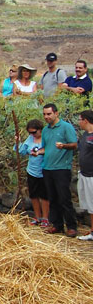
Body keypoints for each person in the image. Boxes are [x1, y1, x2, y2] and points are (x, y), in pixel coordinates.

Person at [38, 103, 78, 236]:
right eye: (44, 114)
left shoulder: (66, 127)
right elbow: (45, 148)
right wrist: (37, 152)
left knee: (64, 198)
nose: (46, 117)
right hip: (47, 167)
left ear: (56, 113)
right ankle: (57, 224)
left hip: (62, 168)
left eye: (49, 114)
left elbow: (74, 144)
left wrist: (64, 146)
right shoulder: (45, 130)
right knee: (52, 198)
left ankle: (72, 226)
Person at [18, 119, 49, 227]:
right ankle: (37, 217)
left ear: (40, 130)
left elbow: (50, 150)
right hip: (32, 171)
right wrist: (19, 143)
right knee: (33, 195)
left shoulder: (46, 138)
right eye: (30, 133)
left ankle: (45, 218)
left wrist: (40, 153)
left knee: (45, 196)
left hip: (44, 171)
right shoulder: (30, 139)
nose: (32, 135)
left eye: (34, 132)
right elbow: (22, 151)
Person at [76, 111, 93, 240]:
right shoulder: (85, 135)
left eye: (80, 119)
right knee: (89, 205)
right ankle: (92, 231)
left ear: (86, 120)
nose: (79, 122)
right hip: (84, 174)